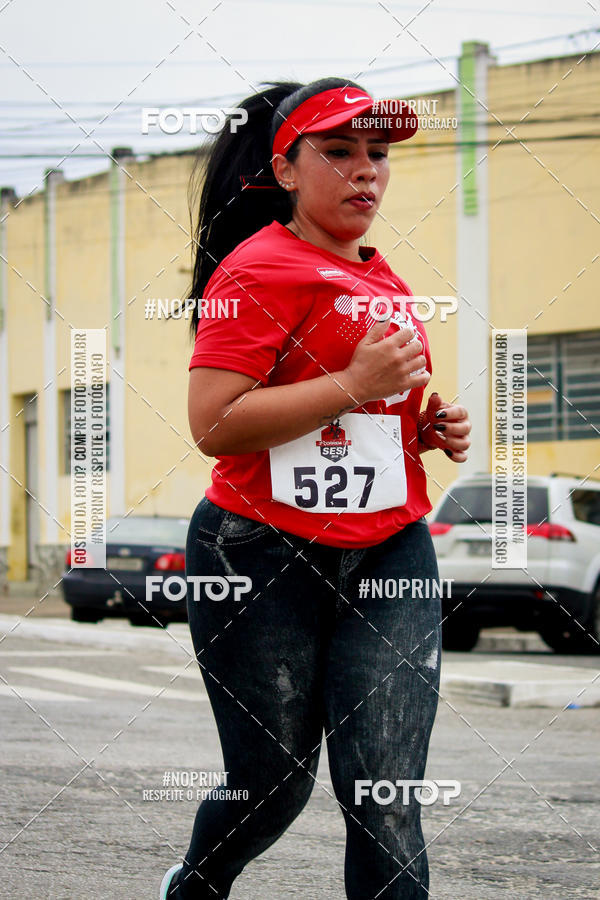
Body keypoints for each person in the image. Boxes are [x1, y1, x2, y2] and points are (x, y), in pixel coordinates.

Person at [160, 77, 471, 900]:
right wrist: (351, 382)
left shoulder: (385, 277)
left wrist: (425, 429)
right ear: (288, 169)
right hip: (259, 554)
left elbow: (365, 416)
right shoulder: (255, 270)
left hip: (389, 550)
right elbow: (216, 423)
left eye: (377, 154)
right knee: (272, 781)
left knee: (385, 792)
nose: (365, 170)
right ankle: (197, 883)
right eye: (338, 151)